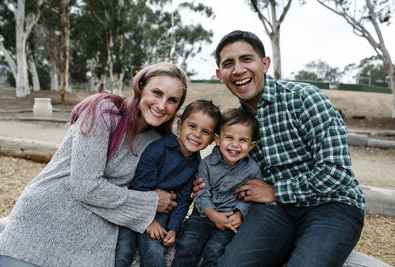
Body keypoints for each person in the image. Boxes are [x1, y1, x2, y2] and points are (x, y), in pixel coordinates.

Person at [192, 30, 365, 267]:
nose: (238, 70)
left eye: (246, 59)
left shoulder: (305, 99)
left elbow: (337, 172)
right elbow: (231, 168)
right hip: (275, 211)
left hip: (331, 205)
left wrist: (277, 191)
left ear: (265, 64)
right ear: (220, 75)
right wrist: (204, 183)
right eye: (228, 64)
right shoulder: (237, 124)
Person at [0, 63, 189, 267]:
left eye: (172, 100)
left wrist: (199, 181)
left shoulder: (158, 141)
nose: (161, 105)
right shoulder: (104, 112)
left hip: (93, 240)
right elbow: (86, 186)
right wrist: (150, 203)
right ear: (140, 87)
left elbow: (175, 177)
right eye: (156, 93)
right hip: (42, 226)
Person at [115, 99, 221, 267]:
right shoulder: (157, 150)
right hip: (135, 209)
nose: (197, 134)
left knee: (154, 249)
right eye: (192, 126)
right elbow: (139, 188)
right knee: (123, 252)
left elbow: (184, 199)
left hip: (163, 213)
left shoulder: (197, 165)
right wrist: (148, 221)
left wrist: (173, 228)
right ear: (179, 126)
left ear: (212, 140)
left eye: (205, 131)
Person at [173, 108, 263, 267]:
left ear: (251, 145)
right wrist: (213, 214)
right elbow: (201, 191)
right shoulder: (206, 164)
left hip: (229, 219)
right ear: (218, 139)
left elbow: (251, 196)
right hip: (202, 216)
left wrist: (240, 214)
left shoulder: (253, 169)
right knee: (188, 244)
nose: (235, 145)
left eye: (243, 140)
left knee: (215, 250)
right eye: (229, 137)